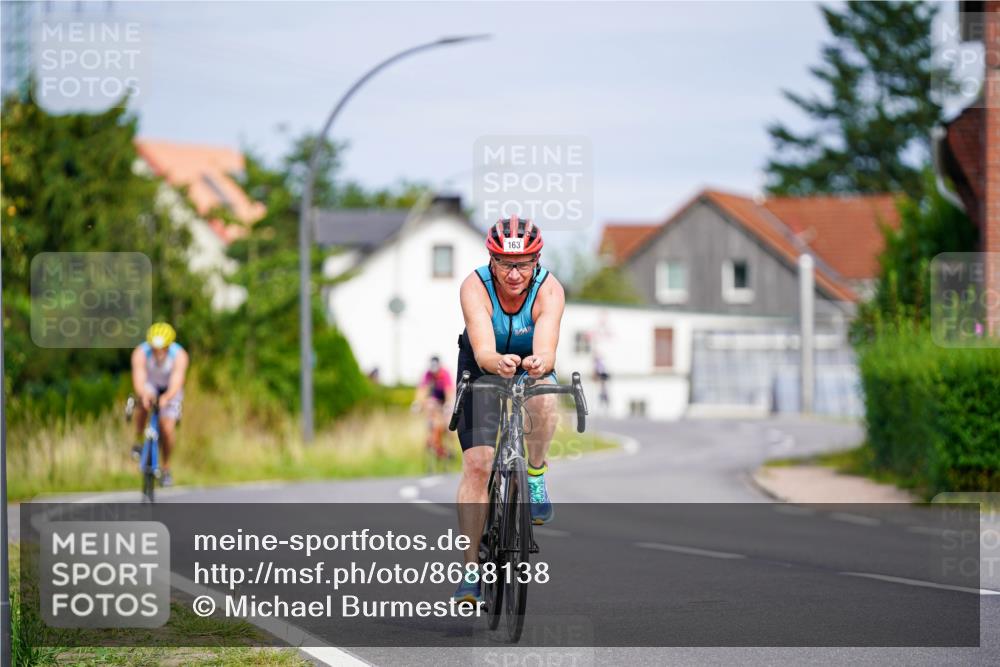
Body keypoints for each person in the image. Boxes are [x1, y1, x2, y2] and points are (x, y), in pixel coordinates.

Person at [452, 215, 565, 604]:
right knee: (479, 466)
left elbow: (547, 349)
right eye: (504, 263)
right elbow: (483, 348)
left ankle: (534, 474)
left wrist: (540, 363)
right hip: (482, 365)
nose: (514, 274)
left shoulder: (550, 289)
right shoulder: (474, 287)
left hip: (530, 363)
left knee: (546, 396)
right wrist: (493, 360)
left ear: (537, 261)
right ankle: (470, 571)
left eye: (523, 264)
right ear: (491, 259)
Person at [130, 322, 189, 487]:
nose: (159, 352)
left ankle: (166, 467)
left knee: (167, 428)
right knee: (142, 404)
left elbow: (177, 381)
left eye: (163, 348)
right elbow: (139, 379)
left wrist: (167, 397)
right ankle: (138, 439)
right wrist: (144, 394)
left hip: (171, 388)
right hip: (150, 385)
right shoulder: (140, 353)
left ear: (169, 345)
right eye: (155, 348)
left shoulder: (180, 355)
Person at [412, 356, 455, 459]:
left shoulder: (445, 373)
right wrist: (417, 403)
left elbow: (449, 391)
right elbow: (422, 390)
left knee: (449, 425)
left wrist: (448, 404)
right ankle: (434, 444)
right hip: (434, 402)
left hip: (445, 401)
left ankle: (451, 447)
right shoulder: (427, 374)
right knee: (430, 407)